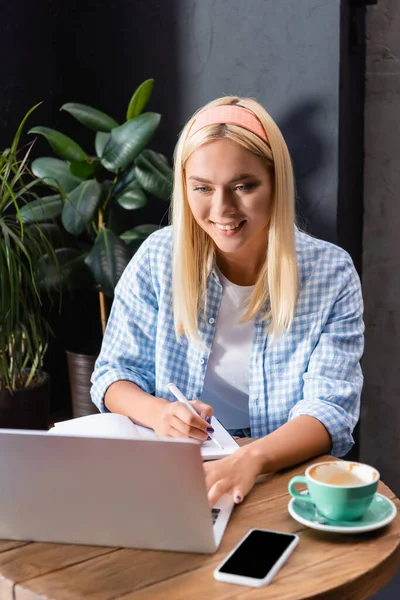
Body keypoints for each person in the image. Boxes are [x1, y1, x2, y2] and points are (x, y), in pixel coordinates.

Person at [91, 96, 364, 507]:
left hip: (282, 477)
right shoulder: (157, 257)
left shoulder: (331, 273)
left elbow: (329, 410)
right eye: (202, 188)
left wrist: (249, 459)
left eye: (243, 186)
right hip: (173, 471)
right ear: (185, 187)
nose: (222, 209)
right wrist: (161, 414)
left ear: (276, 184)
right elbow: (114, 373)